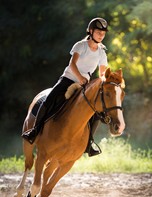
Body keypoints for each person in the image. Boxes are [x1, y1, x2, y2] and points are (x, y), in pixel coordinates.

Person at [22, 17, 108, 156]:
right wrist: (79, 77)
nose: (101, 35)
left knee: (96, 112)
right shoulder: (80, 45)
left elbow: (102, 72)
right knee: (49, 100)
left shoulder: (102, 52)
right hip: (69, 79)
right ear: (91, 31)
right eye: (99, 32)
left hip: (85, 85)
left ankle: (89, 143)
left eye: (103, 33)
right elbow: (72, 64)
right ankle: (34, 131)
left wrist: (102, 82)